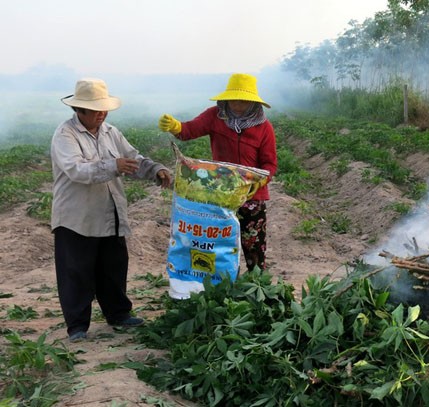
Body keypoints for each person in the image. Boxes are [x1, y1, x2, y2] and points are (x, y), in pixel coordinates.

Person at [51, 78, 172, 342]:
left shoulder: (110, 132)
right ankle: (77, 326)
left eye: (103, 109)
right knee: (76, 271)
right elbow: (76, 170)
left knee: (113, 267)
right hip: (76, 216)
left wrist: (156, 169)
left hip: (109, 211)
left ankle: (118, 314)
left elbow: (132, 157)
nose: (101, 114)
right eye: (95, 110)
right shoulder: (65, 135)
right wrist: (113, 166)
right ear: (78, 110)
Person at [158, 73, 277, 273]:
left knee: (253, 245)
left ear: (252, 102)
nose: (238, 104)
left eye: (243, 100)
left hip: (251, 197)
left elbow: (270, 164)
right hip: (220, 194)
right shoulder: (214, 116)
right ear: (226, 98)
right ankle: (221, 285)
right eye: (234, 99)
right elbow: (189, 130)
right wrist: (176, 126)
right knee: (219, 243)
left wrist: (260, 182)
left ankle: (257, 285)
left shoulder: (264, 128)